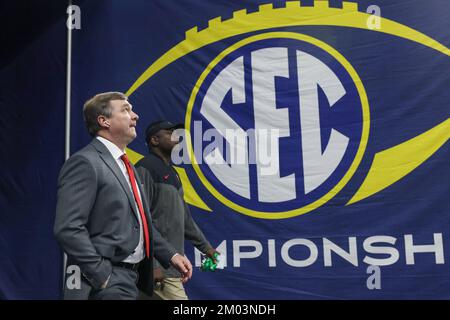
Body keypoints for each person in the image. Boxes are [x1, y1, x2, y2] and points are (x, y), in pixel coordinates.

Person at [54, 92, 192, 300]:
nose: (135, 116)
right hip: (107, 282)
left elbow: (142, 223)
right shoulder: (85, 162)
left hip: (135, 279)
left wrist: (170, 254)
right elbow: (68, 228)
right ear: (104, 121)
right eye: (126, 110)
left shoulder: (126, 166)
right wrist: (102, 275)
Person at [135, 120, 219, 300]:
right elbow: (139, 220)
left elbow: (186, 220)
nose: (175, 135)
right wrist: (153, 265)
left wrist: (206, 248)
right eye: (169, 132)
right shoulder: (145, 167)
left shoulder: (174, 174)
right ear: (155, 140)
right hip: (158, 269)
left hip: (170, 267)